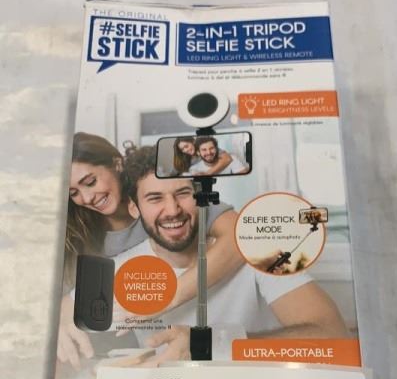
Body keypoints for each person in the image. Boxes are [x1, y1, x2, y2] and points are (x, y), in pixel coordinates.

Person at [114, 147, 348, 364]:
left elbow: (333, 336)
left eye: (183, 193)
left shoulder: (261, 250)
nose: (173, 210)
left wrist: (212, 345)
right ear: (134, 208)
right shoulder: (119, 269)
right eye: (155, 198)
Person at [57, 134, 244, 368]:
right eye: (74, 193)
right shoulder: (77, 236)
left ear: (116, 164)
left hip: (200, 334)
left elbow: (240, 236)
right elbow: (64, 304)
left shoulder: (170, 200)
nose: (86, 198)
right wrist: (61, 316)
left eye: (90, 181)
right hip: (127, 354)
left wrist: (164, 299)